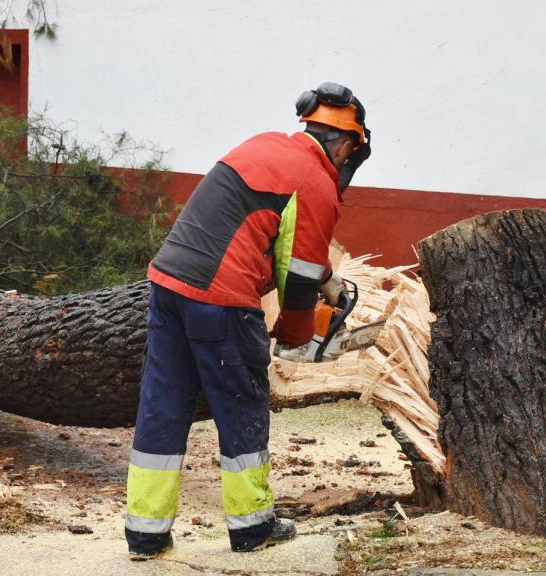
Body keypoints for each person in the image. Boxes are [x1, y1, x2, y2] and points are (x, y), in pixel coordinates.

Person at [125, 82, 372, 560]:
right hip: (221, 300)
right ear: (345, 145)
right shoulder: (317, 180)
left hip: (169, 284)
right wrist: (297, 338)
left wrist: (331, 284)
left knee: (163, 403)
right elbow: (296, 279)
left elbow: (273, 235)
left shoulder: (263, 146)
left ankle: (146, 534)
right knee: (240, 406)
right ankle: (252, 526)